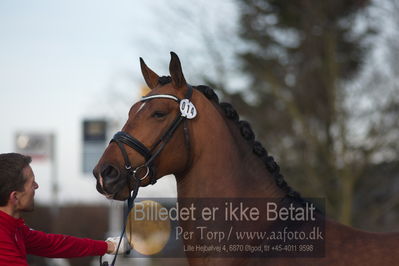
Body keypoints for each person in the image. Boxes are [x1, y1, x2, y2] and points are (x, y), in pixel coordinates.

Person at [0, 153, 129, 266]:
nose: (37, 185)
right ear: (15, 197)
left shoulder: (14, 228)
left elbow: (54, 245)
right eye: (32, 182)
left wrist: (108, 246)